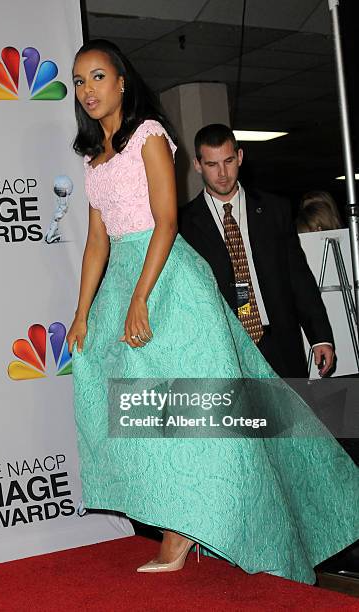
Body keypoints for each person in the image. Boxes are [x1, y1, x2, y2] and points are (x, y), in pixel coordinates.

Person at [67, 39, 359, 584]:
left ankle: (187, 532)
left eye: (98, 77)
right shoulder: (94, 158)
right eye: (80, 81)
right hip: (123, 280)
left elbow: (166, 222)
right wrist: (81, 312)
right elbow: (95, 246)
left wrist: (139, 298)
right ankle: (181, 518)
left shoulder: (149, 136)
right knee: (144, 411)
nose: (88, 91)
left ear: (122, 82)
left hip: (167, 281)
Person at [178, 125, 334, 379]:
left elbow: (299, 277)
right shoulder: (183, 224)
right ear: (197, 165)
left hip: (278, 340)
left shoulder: (275, 210)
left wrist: (320, 337)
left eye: (228, 161)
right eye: (212, 164)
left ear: (240, 157)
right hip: (224, 348)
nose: (222, 173)